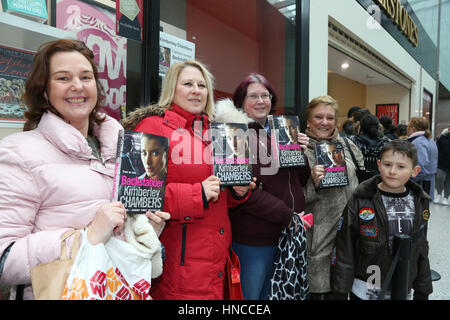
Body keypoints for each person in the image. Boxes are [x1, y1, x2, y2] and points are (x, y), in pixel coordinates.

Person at [0, 39, 168, 300]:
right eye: (63, 78)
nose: (77, 86)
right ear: (43, 90)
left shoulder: (124, 147)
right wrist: (83, 239)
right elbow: (4, 258)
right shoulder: (18, 153)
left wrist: (144, 229)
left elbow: (121, 231)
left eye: (85, 77)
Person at [121, 60, 255, 300]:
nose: (196, 90)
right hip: (177, 267)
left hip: (216, 263)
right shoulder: (152, 127)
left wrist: (237, 191)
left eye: (202, 85)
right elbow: (136, 197)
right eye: (188, 84)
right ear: (172, 88)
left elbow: (221, 198)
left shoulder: (217, 131)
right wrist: (198, 194)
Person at [229, 73, 311, 300]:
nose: (260, 101)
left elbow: (301, 180)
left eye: (265, 95)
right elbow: (244, 191)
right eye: (253, 96)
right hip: (254, 239)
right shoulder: (234, 134)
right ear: (240, 101)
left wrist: (300, 152)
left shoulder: (281, 131)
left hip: (285, 237)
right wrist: (288, 215)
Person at [331, 139, 433, 300]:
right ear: (379, 165)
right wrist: (340, 291)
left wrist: (423, 289)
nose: (392, 171)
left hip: (402, 288)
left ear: (415, 171)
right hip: (365, 289)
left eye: (401, 166)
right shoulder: (361, 199)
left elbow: (421, 247)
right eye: (387, 164)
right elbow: (345, 246)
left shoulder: (419, 202)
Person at [302, 95, 365, 300]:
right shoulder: (299, 150)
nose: (324, 122)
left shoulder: (347, 146)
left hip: (351, 238)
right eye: (318, 117)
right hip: (318, 241)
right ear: (309, 121)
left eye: (329, 117)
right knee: (320, 293)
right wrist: (314, 184)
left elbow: (363, 183)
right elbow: (292, 198)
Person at [350, 114, 390, 179]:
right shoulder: (386, 143)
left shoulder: (351, 141)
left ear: (360, 127)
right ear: (378, 127)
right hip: (379, 180)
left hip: (357, 180)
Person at [407, 117, 438, 199]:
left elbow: (420, 167)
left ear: (413, 128)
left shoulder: (418, 142)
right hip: (427, 183)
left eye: (408, 126)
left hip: (420, 184)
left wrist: (408, 180)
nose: (406, 128)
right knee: (424, 209)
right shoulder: (429, 140)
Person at [435, 124, 450, 205]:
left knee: (448, 181)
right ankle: (439, 194)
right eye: (449, 127)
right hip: (441, 162)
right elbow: (438, 148)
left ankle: (446, 197)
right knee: (439, 178)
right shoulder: (442, 137)